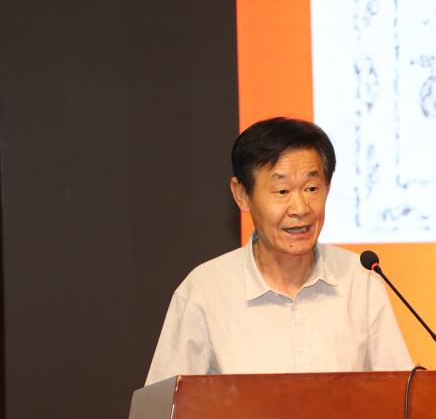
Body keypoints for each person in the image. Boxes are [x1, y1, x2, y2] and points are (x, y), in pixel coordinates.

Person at [145, 117, 412, 384]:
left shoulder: (360, 280)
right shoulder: (205, 291)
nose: (300, 208)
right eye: (282, 191)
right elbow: (163, 406)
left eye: (311, 188)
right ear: (242, 195)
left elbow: (403, 395)